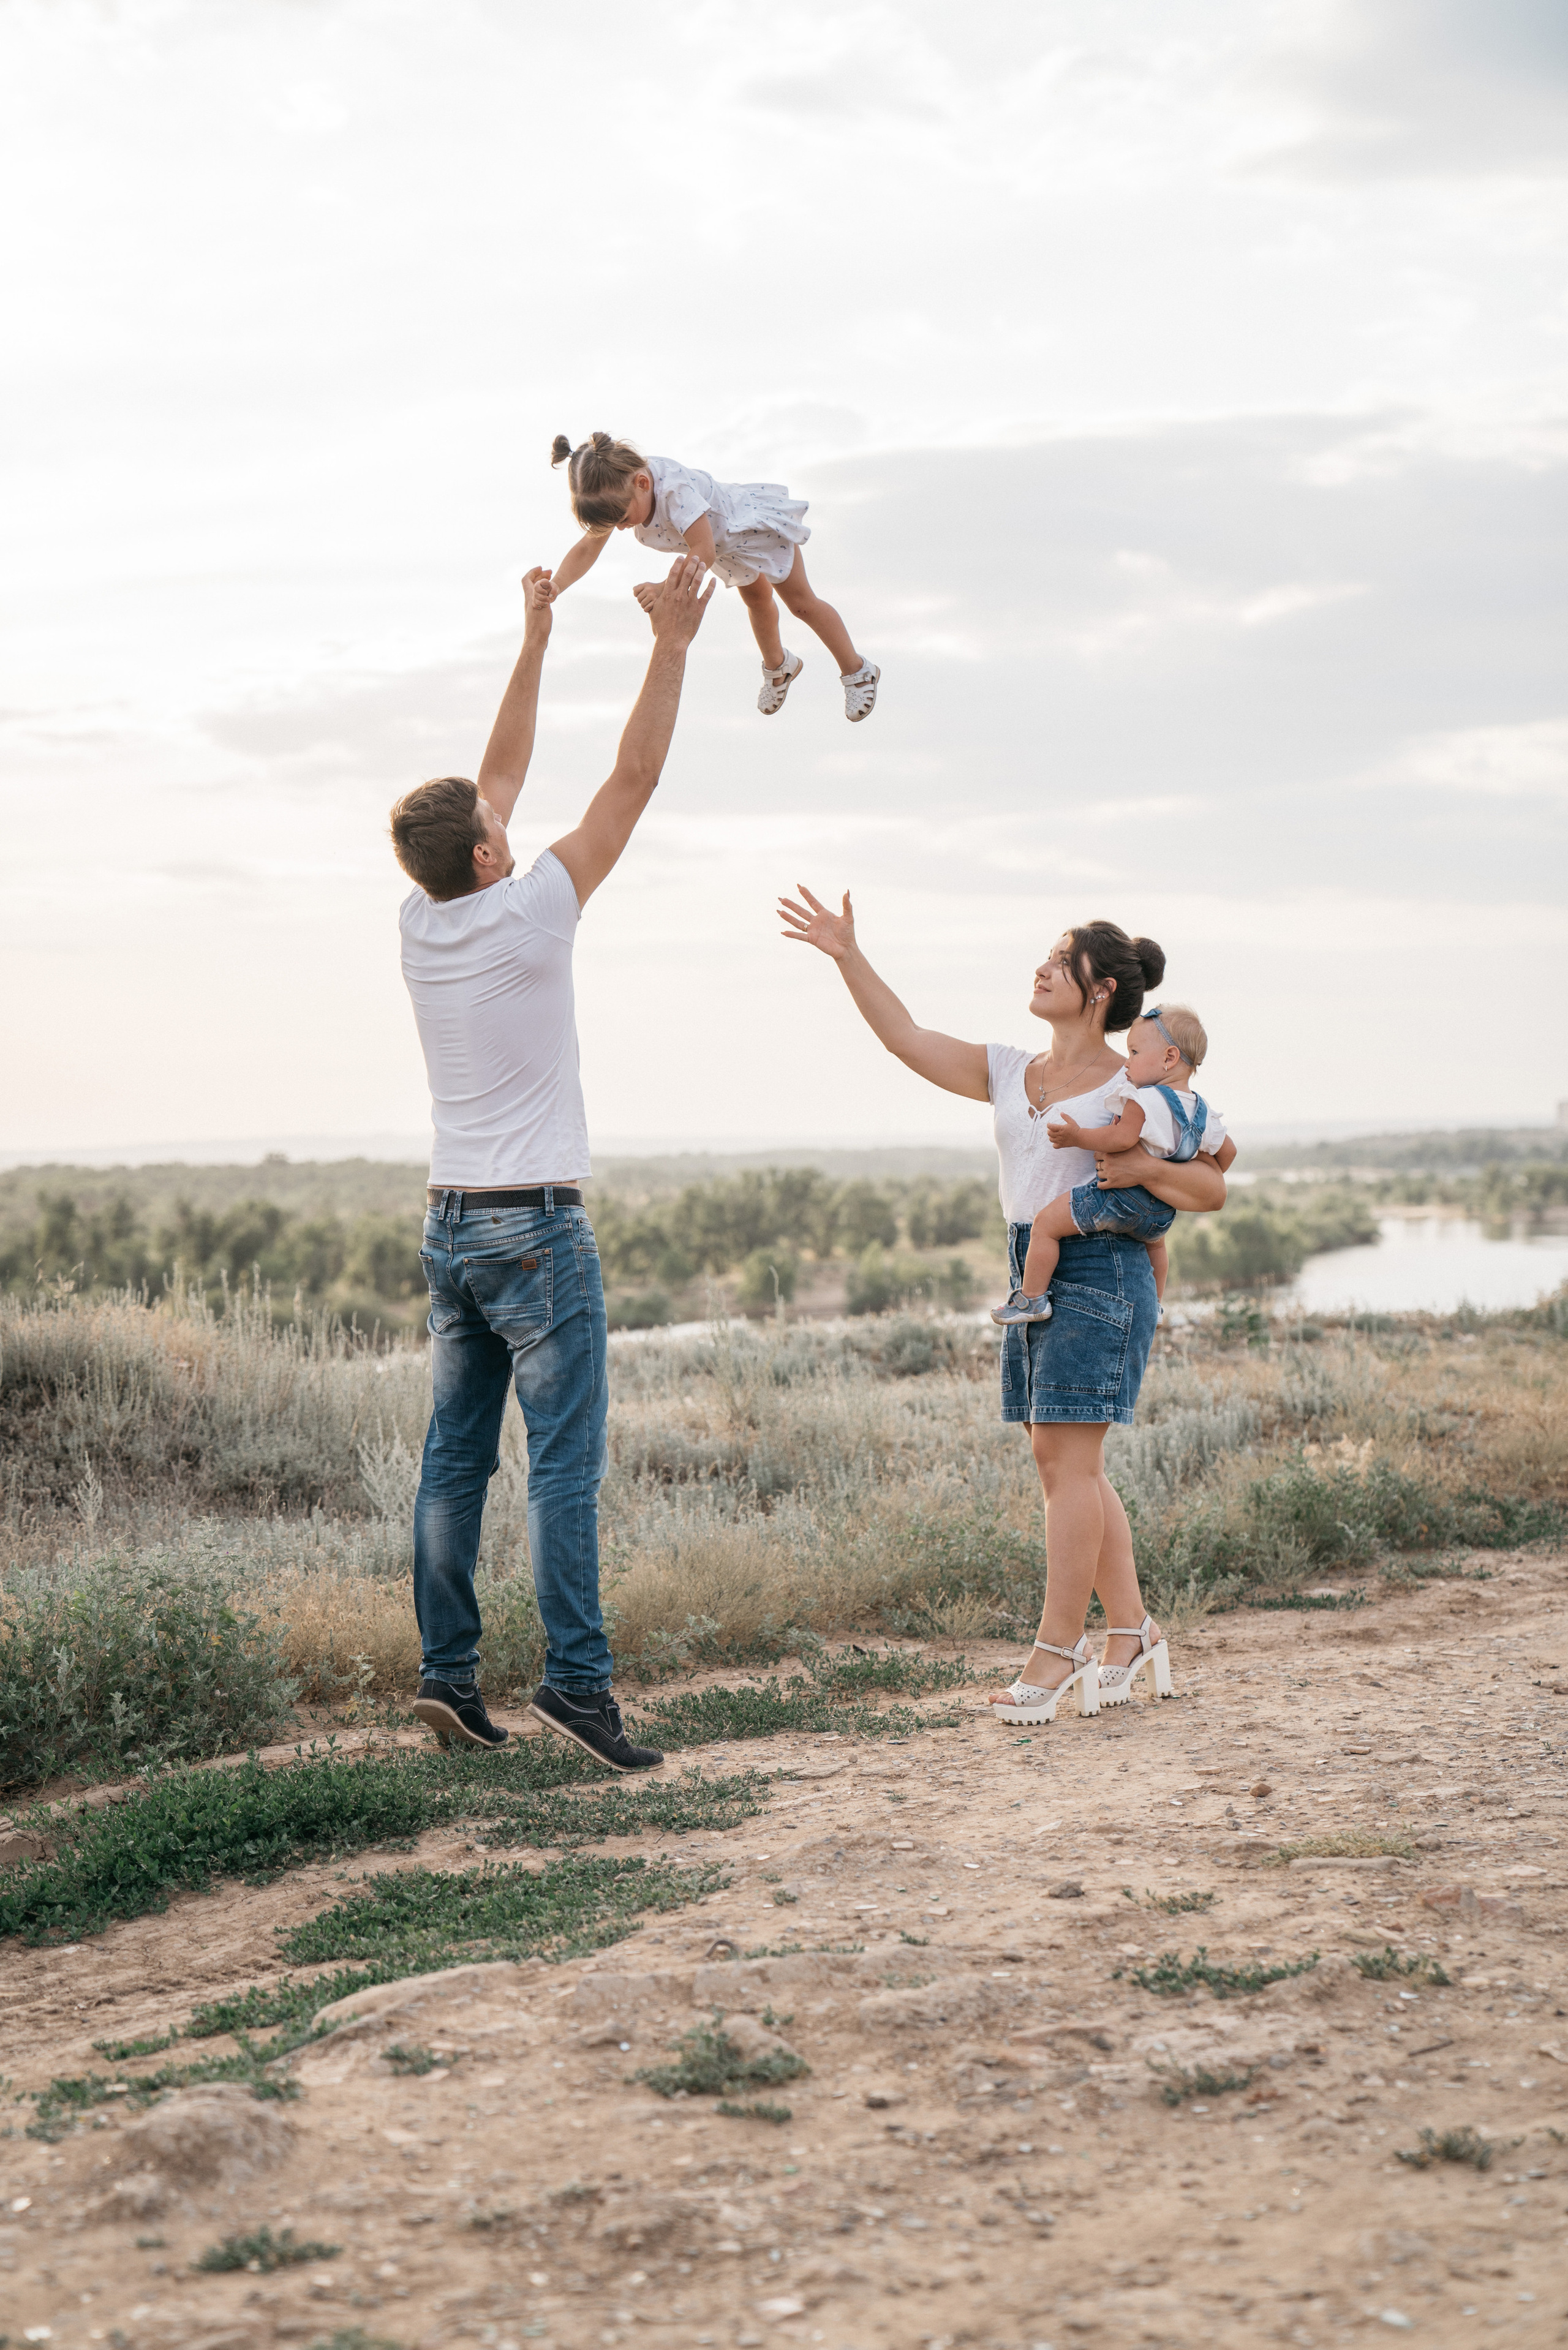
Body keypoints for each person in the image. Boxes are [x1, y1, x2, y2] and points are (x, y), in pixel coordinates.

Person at [388, 554, 714, 1771]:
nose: (506, 821)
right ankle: (577, 1684)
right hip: (532, 1228)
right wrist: (669, 643)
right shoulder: (532, 908)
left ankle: (448, 1676)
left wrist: (533, 631)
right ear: (484, 856)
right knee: (562, 1468)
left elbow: (497, 775)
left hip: (449, 1228)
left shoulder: (421, 920)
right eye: (494, 828)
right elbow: (628, 781)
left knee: (452, 1461)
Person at [776, 888, 1229, 1725]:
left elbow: (1212, 1183)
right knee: (1066, 1465)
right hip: (1031, 1263)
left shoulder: (1136, 1086)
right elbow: (907, 1036)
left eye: (1062, 959)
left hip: (1100, 1267)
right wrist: (846, 953)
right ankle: (1132, 1629)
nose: (1043, 966)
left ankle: (1058, 1654)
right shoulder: (1010, 1070)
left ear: (1100, 990)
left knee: (1068, 1467)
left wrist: (1140, 1173)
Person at [542, 430, 880, 723]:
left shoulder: (674, 491)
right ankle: (780, 668)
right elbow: (588, 547)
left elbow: (702, 549)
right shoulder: (621, 490)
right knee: (758, 602)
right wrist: (557, 584)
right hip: (727, 548)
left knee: (802, 604)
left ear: (642, 484)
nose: (620, 528)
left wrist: (664, 589)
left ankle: (858, 671)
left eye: (623, 519)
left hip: (751, 530)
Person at [992, 1001, 1232, 1324]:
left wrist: (1077, 1136)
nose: (1128, 1062)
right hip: (1161, 1209)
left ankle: (1032, 1299)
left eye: (1134, 1053)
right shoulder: (1203, 1112)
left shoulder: (1142, 1098)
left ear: (1169, 1058)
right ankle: (1155, 1305)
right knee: (1156, 1249)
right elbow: (1226, 1154)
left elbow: (1120, 1139)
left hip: (1121, 1198)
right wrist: (1179, 1164)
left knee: (1046, 1225)